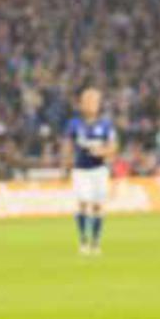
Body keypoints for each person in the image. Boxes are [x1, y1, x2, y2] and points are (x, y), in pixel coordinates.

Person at [62, 87, 117, 255]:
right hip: (81, 170)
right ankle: (83, 239)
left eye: (94, 101)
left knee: (98, 205)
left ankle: (95, 241)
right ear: (81, 104)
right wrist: (66, 164)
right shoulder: (74, 124)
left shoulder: (106, 124)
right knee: (83, 203)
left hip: (99, 170)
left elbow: (113, 146)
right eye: (87, 101)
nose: (91, 104)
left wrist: (103, 152)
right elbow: (67, 145)